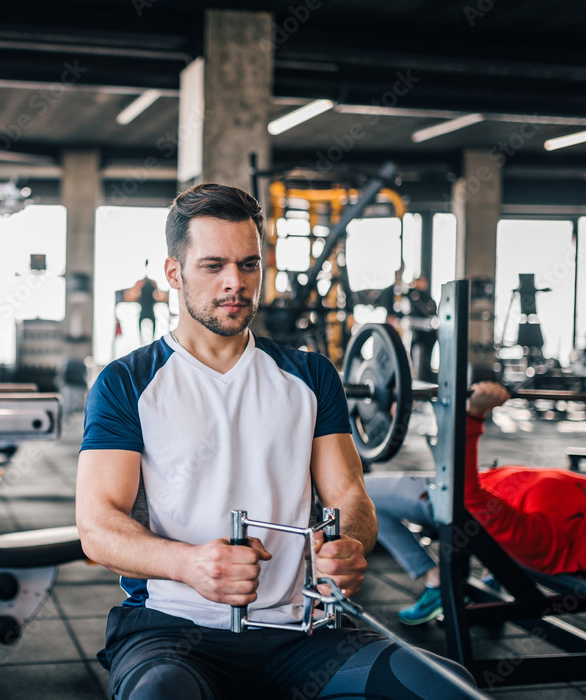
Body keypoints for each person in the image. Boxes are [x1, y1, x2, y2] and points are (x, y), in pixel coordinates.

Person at [76, 183, 476, 699]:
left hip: (303, 632)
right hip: (174, 631)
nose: (234, 283)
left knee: (449, 689)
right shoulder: (127, 381)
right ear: (174, 273)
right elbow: (97, 526)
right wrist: (189, 564)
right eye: (213, 265)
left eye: (248, 265)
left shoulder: (310, 375)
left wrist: (349, 543)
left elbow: (350, 497)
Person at [366, 381, 586, 625]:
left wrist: (473, 413)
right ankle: (490, 575)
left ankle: (436, 581)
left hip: (451, 497)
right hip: (476, 481)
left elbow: (468, 498)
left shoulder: (549, 539)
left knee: (364, 494)